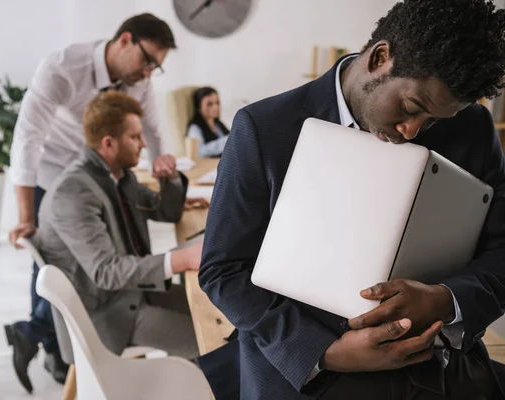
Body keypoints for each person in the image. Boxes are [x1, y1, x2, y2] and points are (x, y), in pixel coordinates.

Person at [199, 0, 505, 399]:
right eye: (411, 107)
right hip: (307, 380)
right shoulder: (263, 128)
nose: (412, 131)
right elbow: (223, 271)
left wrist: (445, 300)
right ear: (380, 58)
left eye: (433, 122)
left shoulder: (473, 128)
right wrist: (324, 352)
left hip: (439, 375)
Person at [5, 13, 181, 392]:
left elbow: (152, 130)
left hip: (105, 171)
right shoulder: (63, 68)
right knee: (57, 265)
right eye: (148, 60)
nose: (151, 72)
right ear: (124, 40)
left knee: (85, 264)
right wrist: (25, 216)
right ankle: (56, 344)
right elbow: (27, 139)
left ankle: (36, 336)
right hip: (52, 172)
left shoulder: (138, 81)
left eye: (158, 67)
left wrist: (164, 167)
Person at [39, 90, 201, 364]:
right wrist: (180, 259)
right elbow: (106, 271)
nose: (143, 145)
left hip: (133, 293)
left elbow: (165, 212)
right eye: (135, 137)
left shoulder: (117, 175)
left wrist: (171, 181)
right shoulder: (74, 192)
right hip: (109, 314)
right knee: (213, 339)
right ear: (108, 143)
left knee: (214, 310)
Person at [186, 87, 230, 158]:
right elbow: (199, 152)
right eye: (210, 104)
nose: (216, 107)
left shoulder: (218, 124)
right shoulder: (195, 128)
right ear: (199, 107)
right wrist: (227, 141)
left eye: (217, 102)